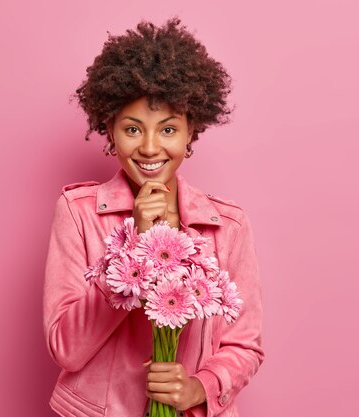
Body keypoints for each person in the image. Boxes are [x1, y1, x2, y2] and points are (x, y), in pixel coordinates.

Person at [43, 17, 264, 417]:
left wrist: (199, 387)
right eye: (132, 129)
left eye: (167, 130)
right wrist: (132, 250)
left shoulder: (228, 226)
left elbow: (244, 344)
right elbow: (66, 349)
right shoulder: (78, 213)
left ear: (190, 131)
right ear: (109, 129)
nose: (149, 148)